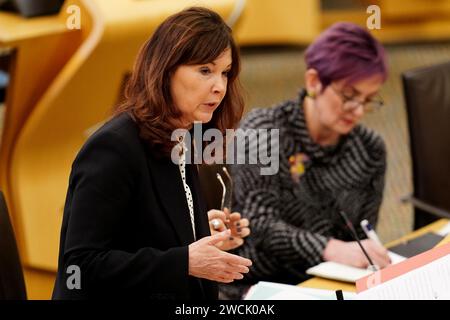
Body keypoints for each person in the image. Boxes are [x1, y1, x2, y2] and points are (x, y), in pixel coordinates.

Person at [52, 7, 252, 300]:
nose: (219, 86)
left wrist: (197, 230)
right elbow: (80, 267)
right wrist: (185, 260)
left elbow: (142, 231)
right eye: (205, 71)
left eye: (225, 73)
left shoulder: (182, 136)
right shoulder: (113, 148)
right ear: (165, 70)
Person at [222, 22, 391, 299]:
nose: (358, 110)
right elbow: (260, 226)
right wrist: (330, 247)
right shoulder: (263, 132)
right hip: (257, 286)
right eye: (349, 96)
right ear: (314, 82)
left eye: (369, 100)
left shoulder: (369, 149)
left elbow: (360, 236)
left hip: (330, 284)